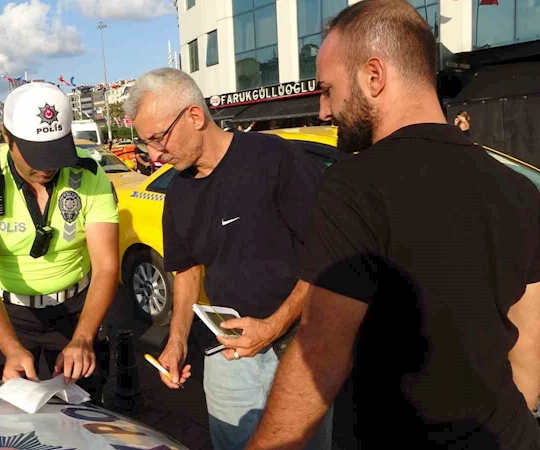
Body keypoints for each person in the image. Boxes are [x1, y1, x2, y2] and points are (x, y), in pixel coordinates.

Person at [246, 1, 540, 448]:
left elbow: (319, 359)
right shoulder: (518, 187)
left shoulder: (355, 183)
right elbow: (531, 340)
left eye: (328, 89)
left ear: (373, 76)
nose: (324, 110)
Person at [124, 68, 331, 450]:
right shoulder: (178, 194)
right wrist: (177, 340)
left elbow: (326, 253)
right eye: (146, 144)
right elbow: (186, 273)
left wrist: (273, 326)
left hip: (301, 346)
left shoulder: (275, 157)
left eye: (158, 139)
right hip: (228, 355)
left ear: (194, 116)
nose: (153, 155)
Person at [0, 83, 119, 403]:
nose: (46, 167)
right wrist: (11, 348)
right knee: (3, 414)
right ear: (6, 136)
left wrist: (83, 338)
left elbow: (107, 266)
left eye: (55, 153)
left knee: (84, 408)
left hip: (76, 310)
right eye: (35, 155)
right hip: (8, 313)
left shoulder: (89, 173)